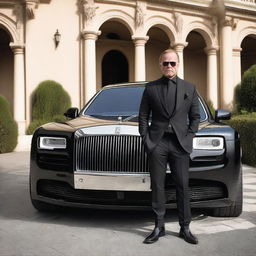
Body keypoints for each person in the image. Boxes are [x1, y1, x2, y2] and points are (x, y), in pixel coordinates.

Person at [138, 48, 200, 244]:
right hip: (158, 143)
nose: (169, 66)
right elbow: (142, 116)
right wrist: (146, 138)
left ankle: (185, 227)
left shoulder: (189, 88)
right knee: (157, 186)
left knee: (183, 186)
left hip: (180, 144)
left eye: (172, 63)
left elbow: (195, 117)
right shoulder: (150, 88)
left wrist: (189, 136)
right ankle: (159, 226)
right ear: (160, 65)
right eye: (165, 63)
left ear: (178, 64)